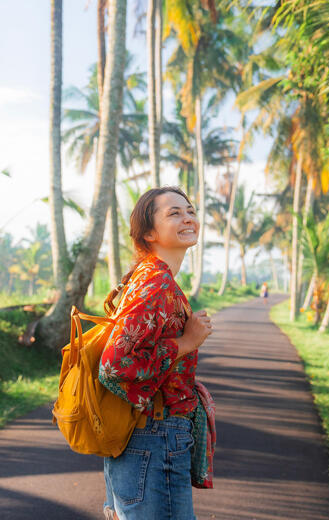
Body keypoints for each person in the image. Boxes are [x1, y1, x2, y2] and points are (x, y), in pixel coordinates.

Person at [98, 186, 215, 520]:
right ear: (149, 233)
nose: (188, 217)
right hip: (153, 435)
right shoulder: (156, 282)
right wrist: (186, 342)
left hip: (145, 433)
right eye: (174, 213)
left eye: (190, 210)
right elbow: (115, 366)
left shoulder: (150, 275)